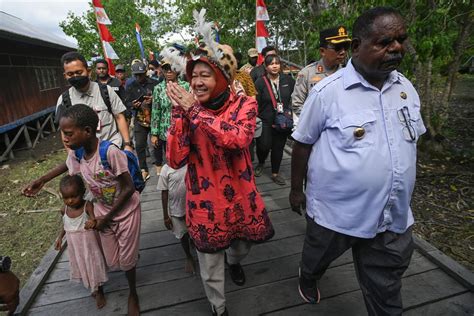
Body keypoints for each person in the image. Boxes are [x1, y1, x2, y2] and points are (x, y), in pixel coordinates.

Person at [290, 7, 426, 315]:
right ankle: (308, 276)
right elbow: (302, 144)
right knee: (318, 256)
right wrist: (296, 190)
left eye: (400, 39)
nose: (396, 48)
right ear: (356, 47)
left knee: (386, 287)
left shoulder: (406, 89)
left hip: (391, 214)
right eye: (384, 42)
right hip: (336, 212)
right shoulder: (327, 92)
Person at [165, 24, 275, 314]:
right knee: (209, 262)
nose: (197, 82)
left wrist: (194, 111)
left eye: (205, 75)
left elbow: (237, 139)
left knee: (239, 248)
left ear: (224, 78)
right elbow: (175, 160)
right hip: (204, 201)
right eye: (193, 76)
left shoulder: (245, 105)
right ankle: (219, 307)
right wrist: (180, 115)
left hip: (240, 196)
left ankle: (235, 262)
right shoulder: (186, 110)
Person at [58, 104, 141, 315]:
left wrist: (108, 218)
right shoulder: (77, 155)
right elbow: (65, 168)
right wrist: (41, 180)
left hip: (126, 213)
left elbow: (129, 187)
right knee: (114, 261)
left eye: (68, 133)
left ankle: (133, 293)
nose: (64, 138)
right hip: (103, 212)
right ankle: (129, 256)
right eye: (63, 133)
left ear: (87, 131)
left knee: (126, 262)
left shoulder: (110, 152)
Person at [56, 52, 132, 150]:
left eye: (79, 73)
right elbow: (64, 131)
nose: (75, 77)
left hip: (112, 149)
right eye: (70, 74)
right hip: (85, 157)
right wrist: (71, 155)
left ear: (88, 71)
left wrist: (127, 144)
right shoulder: (64, 101)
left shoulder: (106, 91)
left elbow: (119, 117)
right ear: (65, 76)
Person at [55, 174, 108, 309]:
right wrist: (60, 237)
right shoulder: (64, 210)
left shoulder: (87, 206)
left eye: (74, 196)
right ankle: (92, 286)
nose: (70, 201)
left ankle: (99, 290)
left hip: (89, 245)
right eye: (66, 197)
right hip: (76, 248)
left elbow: (94, 219)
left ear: (83, 193)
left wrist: (92, 221)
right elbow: (65, 225)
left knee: (93, 265)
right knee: (84, 265)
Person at [254, 54, 295, 185]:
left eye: (277, 63)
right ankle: (261, 162)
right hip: (265, 119)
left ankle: (275, 173)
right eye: (271, 64)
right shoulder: (260, 82)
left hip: (283, 120)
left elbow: (294, 98)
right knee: (264, 145)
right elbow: (255, 102)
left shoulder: (288, 80)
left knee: (278, 147)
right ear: (266, 67)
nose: (275, 66)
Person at [292, 26, 351, 116]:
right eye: (337, 47)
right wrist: (317, 120)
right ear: (322, 51)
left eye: (346, 47)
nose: (343, 52)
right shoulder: (307, 74)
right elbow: (297, 105)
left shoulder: (349, 73)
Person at [151, 59, 189, 176]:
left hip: (184, 129)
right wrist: (154, 133)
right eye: (165, 68)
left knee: (186, 159)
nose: (168, 71)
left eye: (171, 68)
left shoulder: (186, 86)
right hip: (165, 130)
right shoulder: (158, 88)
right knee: (171, 160)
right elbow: (156, 110)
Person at [157, 163, 195, 273]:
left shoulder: (189, 163)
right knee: (182, 234)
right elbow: (164, 193)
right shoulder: (166, 169)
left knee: (194, 232)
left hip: (192, 208)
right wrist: (165, 216)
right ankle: (188, 256)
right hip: (176, 210)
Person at [125, 61, 159, 181]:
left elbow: (161, 98)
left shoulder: (155, 83)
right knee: (139, 145)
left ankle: (159, 164)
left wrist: (153, 100)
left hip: (155, 118)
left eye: (141, 74)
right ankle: (144, 168)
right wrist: (133, 105)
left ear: (145, 72)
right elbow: (126, 103)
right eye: (136, 75)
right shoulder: (130, 86)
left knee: (157, 143)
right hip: (140, 120)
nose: (139, 77)